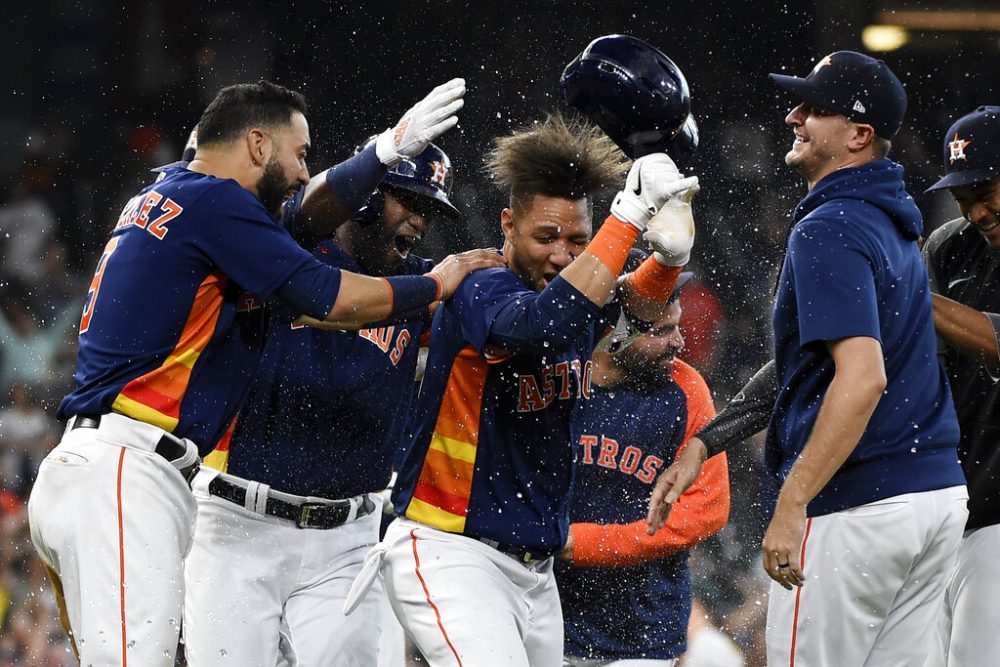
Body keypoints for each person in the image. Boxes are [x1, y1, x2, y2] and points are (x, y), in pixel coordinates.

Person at [24, 78, 502, 666]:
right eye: (299, 154)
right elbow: (320, 294)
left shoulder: (175, 196)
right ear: (256, 145)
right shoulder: (218, 202)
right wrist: (431, 277)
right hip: (132, 475)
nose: (304, 172)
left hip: (106, 468)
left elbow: (309, 283)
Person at [651, 51, 967, 667]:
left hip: (857, 506)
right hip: (932, 500)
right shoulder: (893, 223)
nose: (794, 116)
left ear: (858, 136)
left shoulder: (829, 226)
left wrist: (793, 503)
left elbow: (863, 376)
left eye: (815, 108)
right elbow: (810, 364)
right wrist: (706, 441)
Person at [351, 112, 700, 666]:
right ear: (507, 225)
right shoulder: (481, 285)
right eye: (546, 237)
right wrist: (627, 218)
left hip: (536, 576)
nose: (563, 253)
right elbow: (542, 324)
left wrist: (668, 258)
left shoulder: (577, 290)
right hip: (451, 550)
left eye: (577, 239)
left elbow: (636, 303)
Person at [183, 138, 466, 666]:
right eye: (409, 203)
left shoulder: (424, 281)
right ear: (364, 199)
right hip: (238, 523)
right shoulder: (281, 252)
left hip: (348, 539)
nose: (420, 223)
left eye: (429, 211)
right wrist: (376, 158)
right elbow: (307, 212)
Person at [556, 269, 730, 666]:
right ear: (613, 329)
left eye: (678, 326)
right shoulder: (559, 377)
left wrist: (584, 544)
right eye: (662, 331)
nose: (680, 342)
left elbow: (705, 513)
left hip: (644, 627)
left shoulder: (686, 391)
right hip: (546, 609)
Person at [922, 105, 1000, 667]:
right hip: (955, 508)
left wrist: (904, 289)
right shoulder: (953, 248)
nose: (976, 210)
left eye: (988, 190)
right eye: (963, 194)